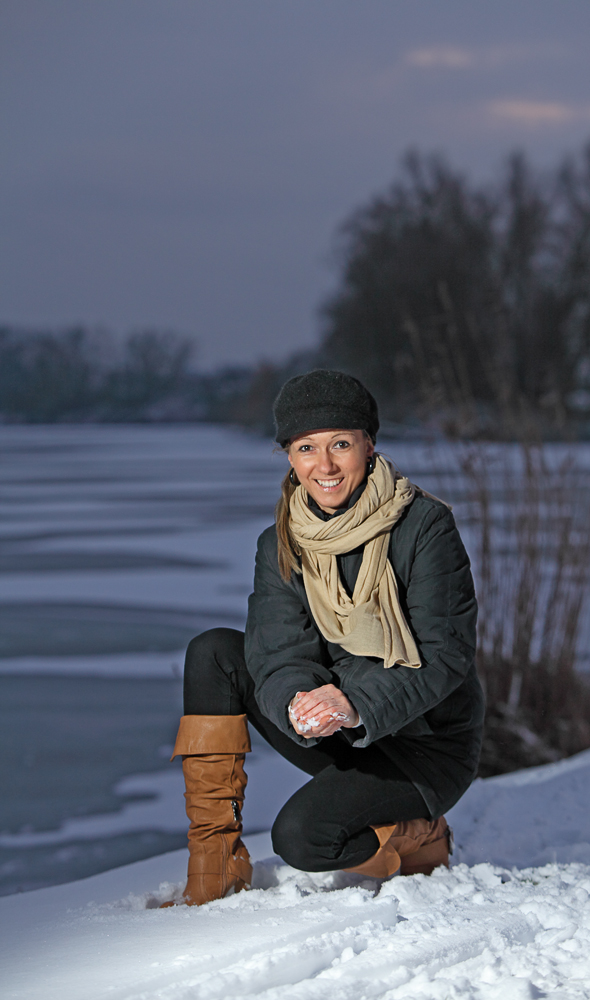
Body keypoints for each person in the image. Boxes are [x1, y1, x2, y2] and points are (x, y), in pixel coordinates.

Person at [166, 369, 484, 906]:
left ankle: (421, 835)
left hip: (425, 744)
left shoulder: (424, 526)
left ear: (369, 444)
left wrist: (353, 701)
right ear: (289, 456)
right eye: (306, 447)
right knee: (215, 652)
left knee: (303, 838)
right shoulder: (281, 542)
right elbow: (278, 650)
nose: (325, 465)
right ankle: (214, 867)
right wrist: (295, 700)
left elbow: (443, 654)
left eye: (341, 443)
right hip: (339, 726)